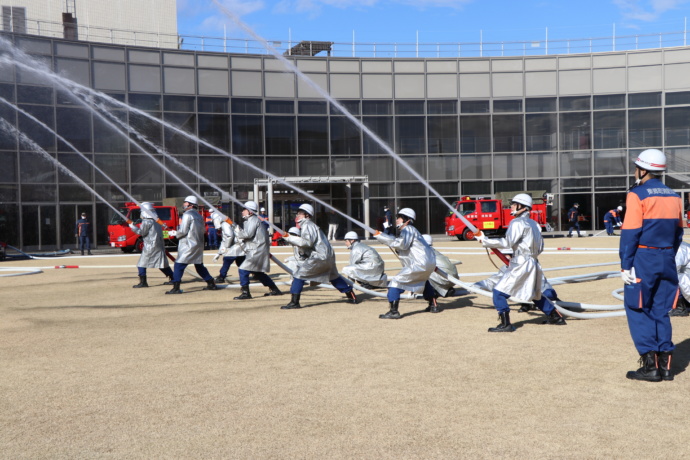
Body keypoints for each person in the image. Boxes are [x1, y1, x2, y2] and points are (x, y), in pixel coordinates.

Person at [620, 149, 684, 382]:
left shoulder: (637, 194)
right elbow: (678, 232)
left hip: (643, 258)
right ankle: (666, 365)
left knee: (638, 309)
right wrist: (666, 255)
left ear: (643, 169)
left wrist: (625, 265)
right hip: (667, 257)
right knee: (661, 310)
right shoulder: (674, 195)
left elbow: (630, 233)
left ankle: (650, 366)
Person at [476, 193, 566, 332]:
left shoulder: (517, 222)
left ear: (522, 207)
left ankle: (506, 324)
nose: (511, 206)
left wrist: (485, 240)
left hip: (521, 263)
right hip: (534, 262)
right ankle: (555, 316)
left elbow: (507, 242)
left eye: (513, 203)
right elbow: (541, 246)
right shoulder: (534, 223)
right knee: (534, 293)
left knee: (499, 292)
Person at [280, 203, 357, 309]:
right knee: (333, 276)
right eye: (298, 212)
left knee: (298, 276)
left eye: (301, 213)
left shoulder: (307, 224)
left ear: (307, 215)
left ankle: (294, 302)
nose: (298, 215)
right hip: (327, 256)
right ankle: (351, 296)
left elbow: (306, 243)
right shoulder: (311, 225)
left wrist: (289, 238)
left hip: (319, 257)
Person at [374, 207, 438, 318]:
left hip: (419, 264)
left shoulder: (408, 229)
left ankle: (394, 312)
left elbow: (401, 244)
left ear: (407, 220)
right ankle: (433, 305)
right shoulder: (412, 231)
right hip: (428, 264)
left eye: (399, 218)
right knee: (422, 280)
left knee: (395, 282)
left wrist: (380, 236)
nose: (397, 220)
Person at [165, 196, 218, 294]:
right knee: (199, 265)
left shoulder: (187, 215)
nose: (184, 204)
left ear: (191, 205)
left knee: (179, 265)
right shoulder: (199, 216)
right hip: (198, 244)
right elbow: (203, 230)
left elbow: (184, 231)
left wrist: (174, 233)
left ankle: (176, 287)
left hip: (188, 244)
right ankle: (211, 282)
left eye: (186, 202)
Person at [232, 201, 283, 299]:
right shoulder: (252, 220)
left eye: (244, 210)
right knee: (257, 272)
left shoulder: (252, 220)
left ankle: (246, 293)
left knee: (243, 269)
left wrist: (237, 232)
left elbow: (248, 235)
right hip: (257, 249)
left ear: (250, 212)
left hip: (256, 250)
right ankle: (275, 289)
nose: (242, 212)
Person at [129, 202, 174, 287]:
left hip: (150, 246)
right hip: (158, 244)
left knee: (141, 264)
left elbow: (142, 232)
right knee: (161, 263)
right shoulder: (156, 220)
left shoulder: (147, 221)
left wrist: (133, 227)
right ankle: (173, 278)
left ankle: (143, 282)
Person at [423, 234, 459, 308]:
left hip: (444, 278)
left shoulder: (424, 252)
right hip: (453, 278)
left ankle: (434, 301)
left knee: (423, 275)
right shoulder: (434, 251)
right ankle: (446, 290)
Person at [212, 211, 246, 284]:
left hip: (235, 246)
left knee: (227, 260)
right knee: (241, 263)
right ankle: (256, 273)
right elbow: (224, 240)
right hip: (239, 246)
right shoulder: (228, 223)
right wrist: (219, 253)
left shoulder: (225, 224)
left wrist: (226, 248)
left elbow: (229, 235)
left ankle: (222, 276)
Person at [670, 241, 690, 317]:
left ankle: (679, 307)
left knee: (669, 276)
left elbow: (673, 270)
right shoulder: (679, 244)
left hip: (687, 283)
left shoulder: (679, 248)